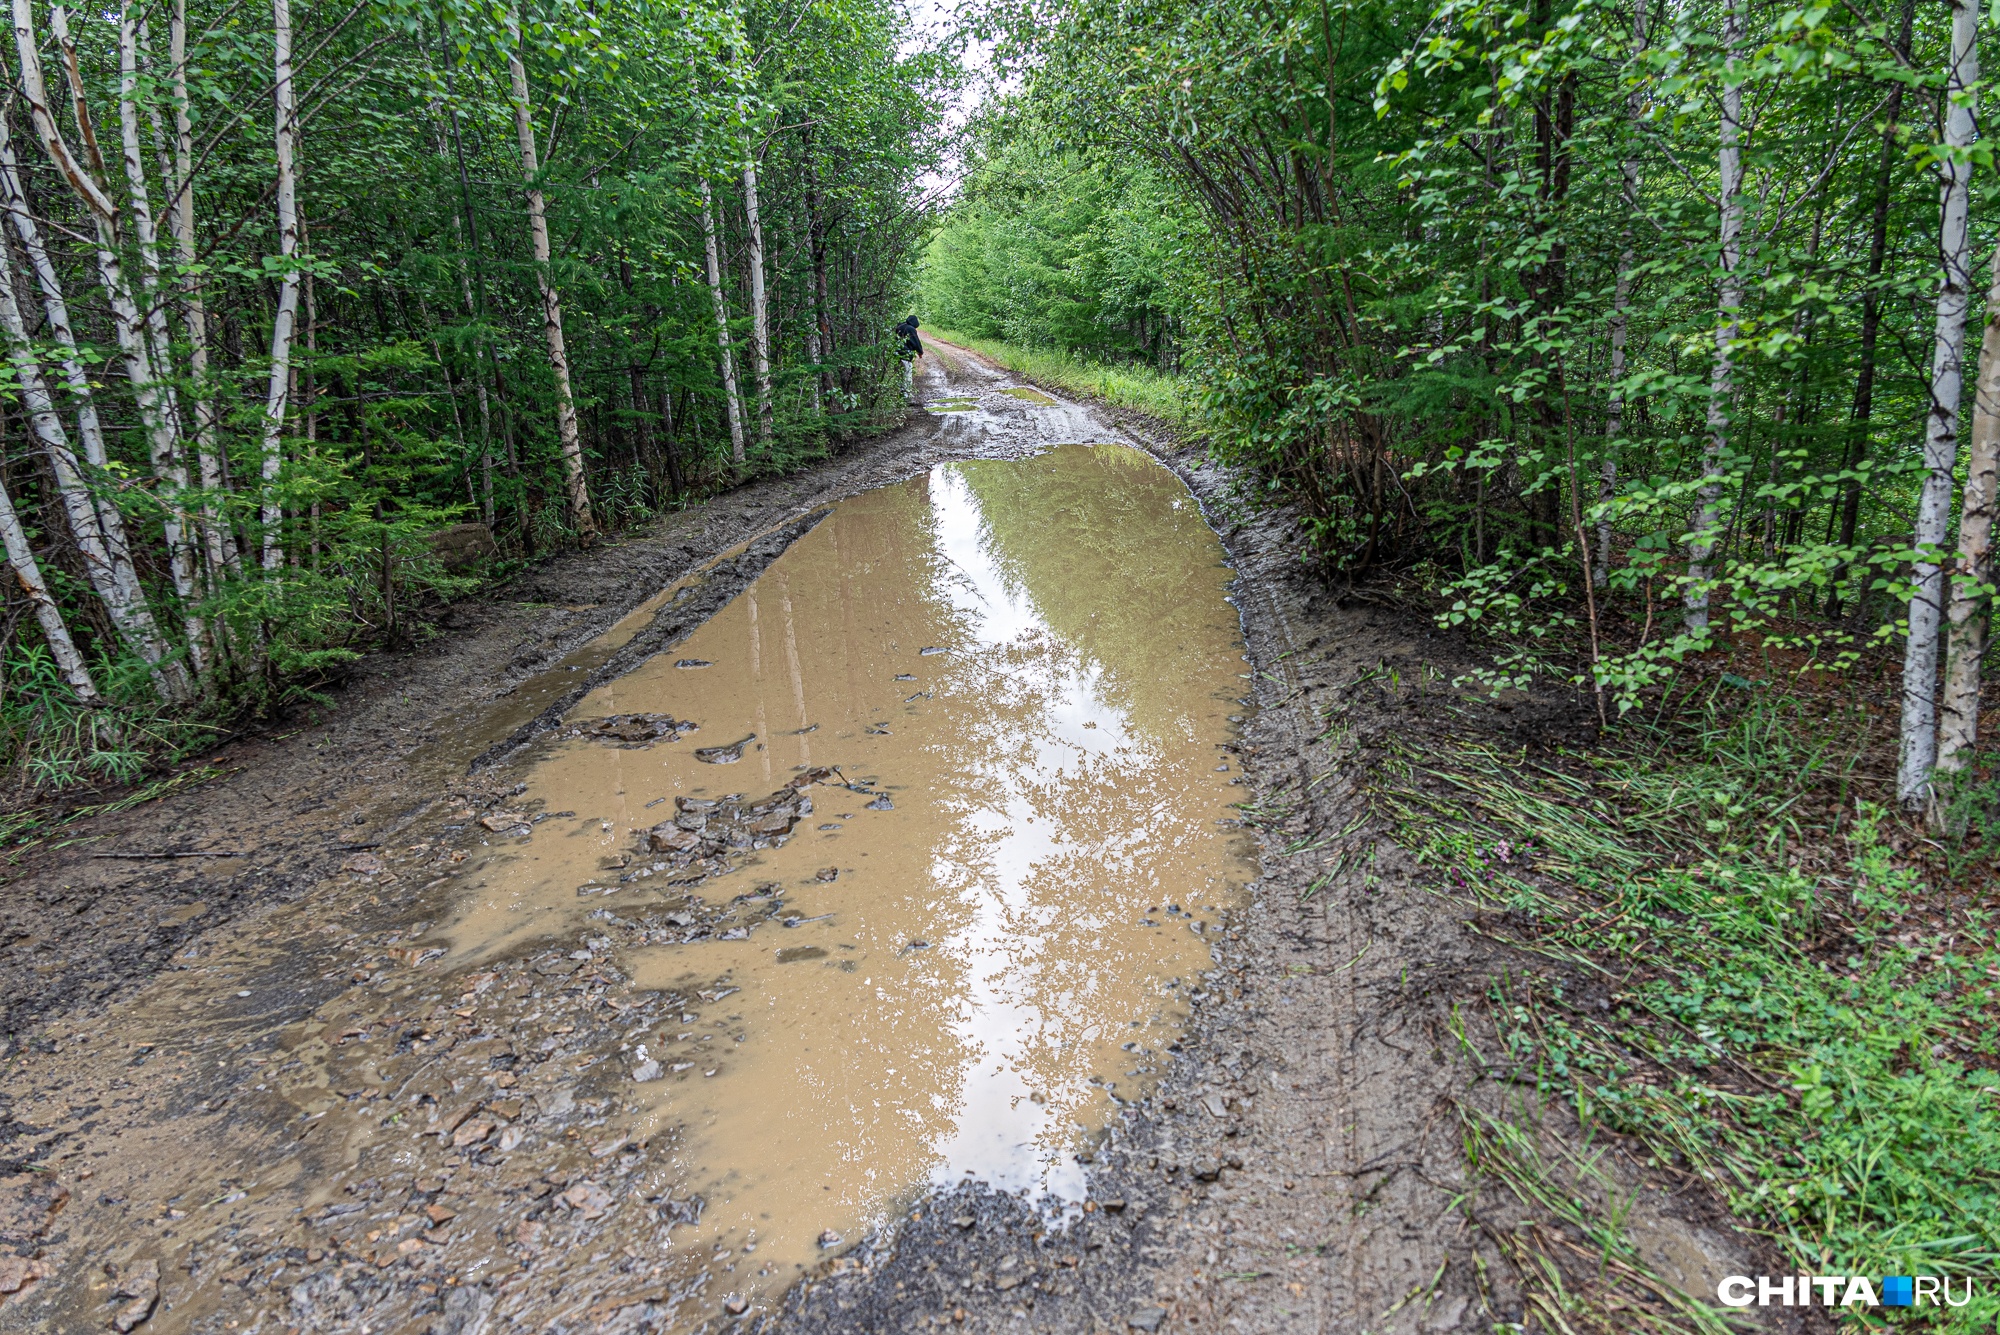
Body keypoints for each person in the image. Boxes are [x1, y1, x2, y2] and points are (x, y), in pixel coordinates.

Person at [896, 315, 923, 401]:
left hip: (896, 354)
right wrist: (920, 351)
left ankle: (901, 396)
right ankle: (906, 397)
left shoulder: (899, 327)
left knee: (900, 375)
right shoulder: (910, 329)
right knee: (907, 375)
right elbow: (915, 342)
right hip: (905, 355)